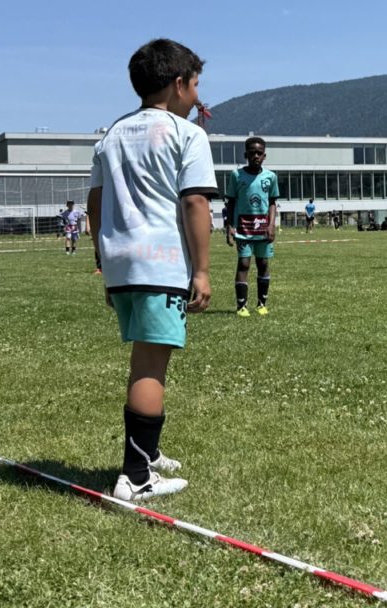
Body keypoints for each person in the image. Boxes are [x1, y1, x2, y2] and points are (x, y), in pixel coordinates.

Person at [87, 37, 217, 501]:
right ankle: (137, 476)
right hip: (159, 263)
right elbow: (196, 202)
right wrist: (202, 271)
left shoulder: (112, 133)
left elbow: (95, 201)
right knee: (150, 364)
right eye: (196, 86)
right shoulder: (188, 135)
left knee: (145, 355)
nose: (198, 97)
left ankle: (150, 451)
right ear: (179, 84)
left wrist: (103, 260)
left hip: (121, 262)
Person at [225, 137, 279, 317]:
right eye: (252, 153)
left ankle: (261, 304)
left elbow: (272, 203)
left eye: (259, 153)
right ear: (245, 155)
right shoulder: (236, 175)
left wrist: (271, 225)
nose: (256, 156)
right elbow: (231, 202)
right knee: (244, 263)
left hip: (263, 228)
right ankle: (241, 306)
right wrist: (229, 226)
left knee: (263, 263)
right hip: (243, 228)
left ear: (264, 156)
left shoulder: (270, 177)